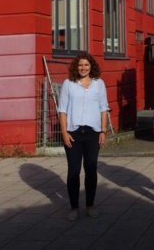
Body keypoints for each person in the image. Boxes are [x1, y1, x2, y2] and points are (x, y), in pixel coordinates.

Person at [58, 53, 109, 221]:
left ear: (91, 66)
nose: (83, 68)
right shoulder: (68, 84)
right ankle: (74, 207)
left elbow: (103, 108)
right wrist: (64, 132)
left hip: (93, 134)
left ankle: (90, 205)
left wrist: (103, 131)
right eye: (80, 65)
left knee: (91, 169)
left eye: (86, 65)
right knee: (73, 171)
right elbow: (62, 110)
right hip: (73, 133)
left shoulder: (99, 84)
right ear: (76, 67)